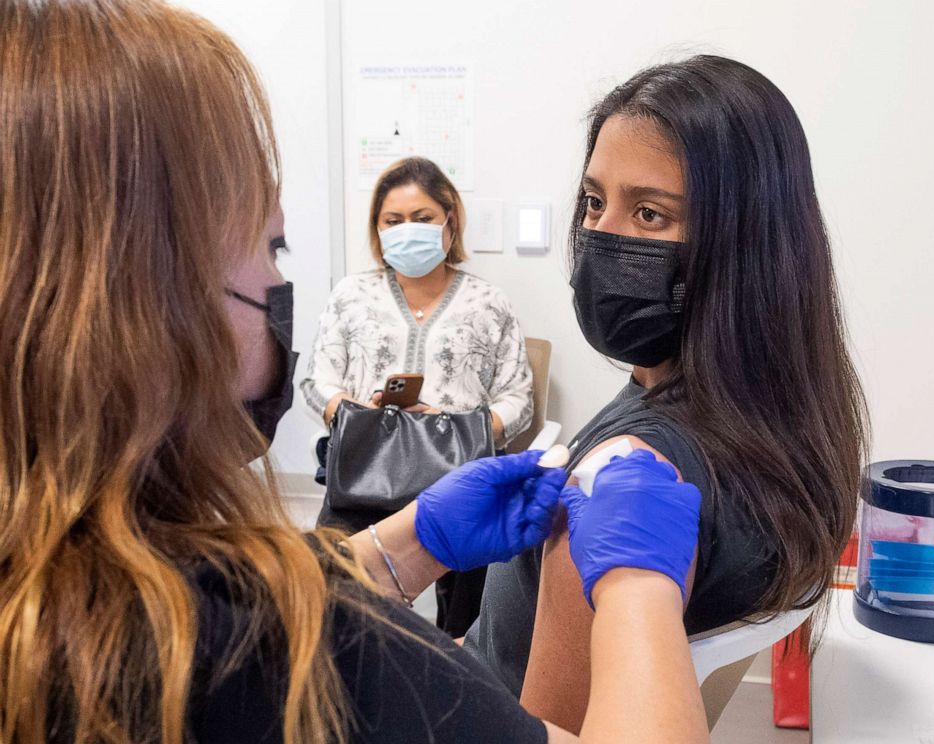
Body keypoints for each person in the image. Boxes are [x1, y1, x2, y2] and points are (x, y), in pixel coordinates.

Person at [0, 3, 711, 742]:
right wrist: (638, 591)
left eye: (651, 214)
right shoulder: (289, 661)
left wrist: (405, 545)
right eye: (272, 248)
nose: (279, 286)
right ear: (158, 298)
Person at [463, 55, 870, 733]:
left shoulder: (625, 476)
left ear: (744, 245)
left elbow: (542, 730)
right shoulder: (792, 422)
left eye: (650, 214)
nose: (601, 236)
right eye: (595, 202)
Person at [301, 156, 534, 635]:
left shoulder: (488, 302)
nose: (408, 230)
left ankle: (459, 667)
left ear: (450, 222)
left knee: (474, 604)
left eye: (422, 218)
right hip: (365, 471)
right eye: (394, 221)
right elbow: (315, 381)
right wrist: (355, 413)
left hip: (458, 471)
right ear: (378, 230)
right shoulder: (351, 295)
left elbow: (518, 397)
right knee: (333, 595)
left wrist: (450, 427)